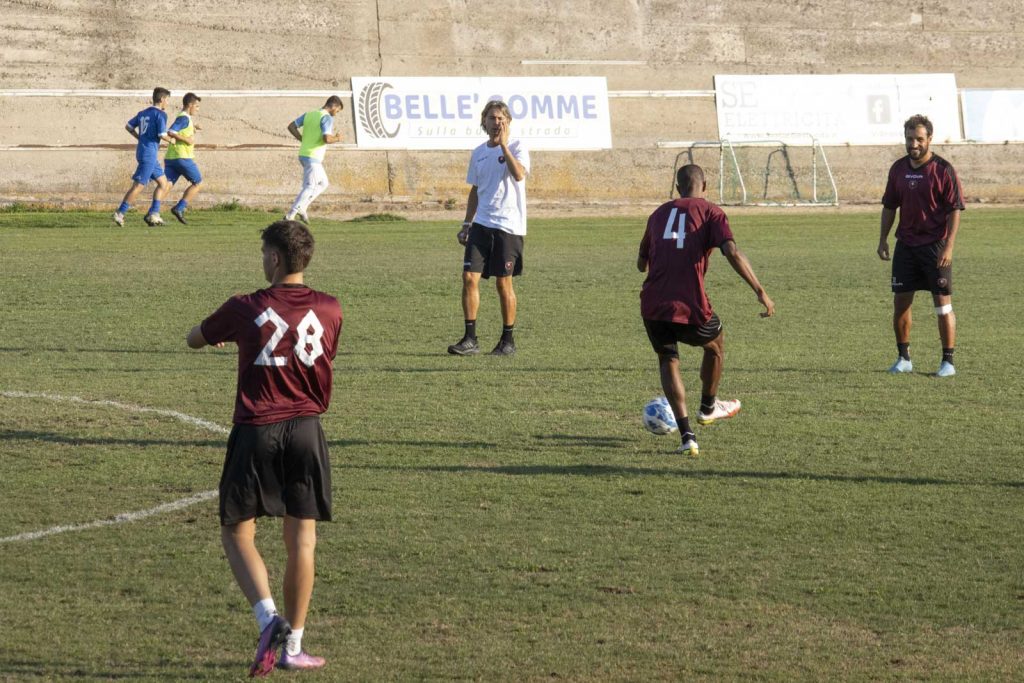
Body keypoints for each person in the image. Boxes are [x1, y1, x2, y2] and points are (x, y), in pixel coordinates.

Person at [186, 220, 342, 676]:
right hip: (308, 430)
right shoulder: (331, 308)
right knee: (303, 541)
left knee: (237, 531)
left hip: (257, 428)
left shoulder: (245, 306)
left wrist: (222, 336)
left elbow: (195, 338)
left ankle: (266, 617)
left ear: (274, 258)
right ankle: (293, 643)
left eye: (263, 252)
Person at [638, 164, 774, 456]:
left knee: (668, 359)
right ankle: (708, 407)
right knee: (716, 345)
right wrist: (760, 290)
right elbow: (732, 252)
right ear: (705, 185)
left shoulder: (658, 214)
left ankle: (687, 436)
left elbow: (641, 263)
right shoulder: (712, 212)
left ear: (677, 188)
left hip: (652, 304)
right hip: (689, 304)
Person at [878, 114, 965, 377]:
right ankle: (904, 358)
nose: (913, 144)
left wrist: (949, 246)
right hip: (906, 246)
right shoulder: (898, 169)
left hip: (934, 247)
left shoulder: (943, 170)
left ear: (929, 139)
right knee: (901, 304)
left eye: (918, 139)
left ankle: (947, 362)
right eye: (909, 139)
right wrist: (883, 238)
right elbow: (890, 206)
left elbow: (954, 210)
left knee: (942, 305)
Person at [447, 100, 530, 357]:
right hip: (481, 224)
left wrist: (503, 145)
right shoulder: (478, 152)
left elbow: (518, 175)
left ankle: (508, 341)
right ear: (484, 121)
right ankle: (470, 339)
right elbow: (475, 190)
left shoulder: (517, 147)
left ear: (508, 122)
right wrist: (466, 222)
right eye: (492, 118)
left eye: (501, 118)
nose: (497, 122)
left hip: (508, 226)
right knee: (469, 278)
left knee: (503, 284)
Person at [113, 87, 173, 227]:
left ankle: (154, 214)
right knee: (138, 186)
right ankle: (120, 213)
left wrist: (140, 137)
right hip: (149, 154)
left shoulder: (142, 113)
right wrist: (173, 140)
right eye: (168, 100)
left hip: (143, 151)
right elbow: (162, 135)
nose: (168, 103)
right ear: (162, 99)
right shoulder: (161, 115)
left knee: (163, 183)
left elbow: (128, 126)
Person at [285, 96, 344, 223]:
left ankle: (303, 207)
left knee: (323, 183)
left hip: (304, 154)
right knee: (310, 186)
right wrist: (338, 138)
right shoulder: (327, 117)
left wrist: (301, 139)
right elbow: (327, 139)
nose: (336, 114)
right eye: (337, 111)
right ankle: (291, 214)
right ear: (333, 106)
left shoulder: (309, 114)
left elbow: (291, 126)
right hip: (313, 156)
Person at [164, 92, 204, 224]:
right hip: (183, 157)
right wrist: (187, 140)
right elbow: (171, 131)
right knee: (198, 182)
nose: (197, 109)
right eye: (197, 106)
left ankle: (153, 212)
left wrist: (194, 127)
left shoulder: (185, 118)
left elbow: (181, 130)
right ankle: (179, 208)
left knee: (166, 185)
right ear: (190, 105)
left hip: (171, 157)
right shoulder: (184, 118)